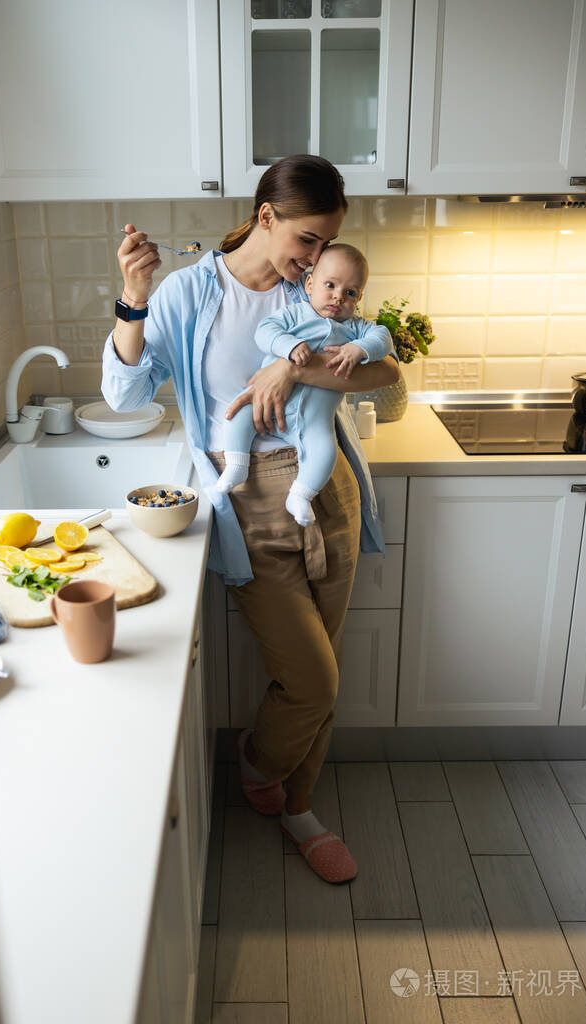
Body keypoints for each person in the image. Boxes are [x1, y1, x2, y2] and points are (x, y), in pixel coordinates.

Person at [101, 155, 399, 884]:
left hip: (328, 487)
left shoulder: (318, 291)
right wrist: (132, 298)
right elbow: (123, 393)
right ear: (266, 218)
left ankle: (298, 805)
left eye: (325, 244)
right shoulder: (190, 292)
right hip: (246, 500)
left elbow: (387, 371)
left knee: (324, 659)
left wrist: (290, 368)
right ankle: (257, 763)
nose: (314, 260)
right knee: (313, 680)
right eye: (305, 240)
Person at [215, 243, 392, 529]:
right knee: (237, 415)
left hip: (314, 422)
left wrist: (359, 349)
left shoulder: (357, 328)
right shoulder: (295, 314)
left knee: (326, 451)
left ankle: (300, 495)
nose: (338, 297)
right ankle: (236, 466)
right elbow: (265, 331)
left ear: (358, 298)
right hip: (269, 406)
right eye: (330, 285)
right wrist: (289, 345)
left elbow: (383, 338)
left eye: (350, 293)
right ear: (310, 284)